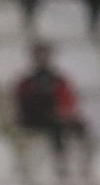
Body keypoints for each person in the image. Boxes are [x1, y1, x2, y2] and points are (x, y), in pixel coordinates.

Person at [15, 43, 89, 177]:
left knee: (78, 125)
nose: (42, 58)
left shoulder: (57, 80)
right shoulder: (27, 81)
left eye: (45, 55)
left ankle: (83, 163)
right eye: (39, 55)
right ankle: (60, 163)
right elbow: (23, 103)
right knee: (56, 126)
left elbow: (67, 100)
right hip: (33, 118)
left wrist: (64, 113)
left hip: (54, 116)